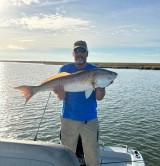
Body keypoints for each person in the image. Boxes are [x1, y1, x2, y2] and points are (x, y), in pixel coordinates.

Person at [53, 40, 106, 166]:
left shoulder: (96, 71)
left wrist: (101, 87)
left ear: (87, 53)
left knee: (92, 154)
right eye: (77, 51)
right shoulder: (65, 69)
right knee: (67, 154)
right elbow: (61, 97)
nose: (79, 53)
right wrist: (59, 94)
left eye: (82, 51)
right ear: (73, 53)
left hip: (90, 119)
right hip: (68, 118)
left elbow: (99, 97)